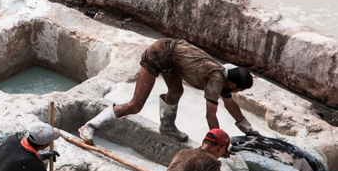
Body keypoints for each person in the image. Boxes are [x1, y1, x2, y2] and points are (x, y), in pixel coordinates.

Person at [79, 38, 256, 145]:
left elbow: (230, 104)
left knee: (176, 91)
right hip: (158, 54)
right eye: (239, 90)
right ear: (233, 85)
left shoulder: (223, 76)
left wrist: (249, 129)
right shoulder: (216, 79)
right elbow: (211, 116)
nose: (236, 92)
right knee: (135, 105)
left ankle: (167, 126)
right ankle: (90, 126)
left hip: (170, 57)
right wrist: (217, 142)